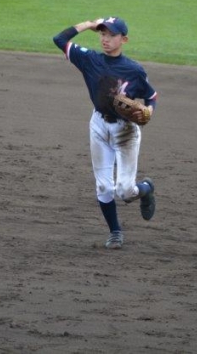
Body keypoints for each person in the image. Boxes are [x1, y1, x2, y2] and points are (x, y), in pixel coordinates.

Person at [53, 16, 158, 249]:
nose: (105, 39)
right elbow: (59, 39)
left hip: (126, 131)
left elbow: (151, 96)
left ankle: (146, 189)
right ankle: (115, 232)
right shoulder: (90, 60)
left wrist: (149, 110)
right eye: (102, 34)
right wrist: (88, 24)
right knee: (103, 186)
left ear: (124, 39)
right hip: (99, 126)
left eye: (111, 35)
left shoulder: (134, 70)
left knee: (125, 191)